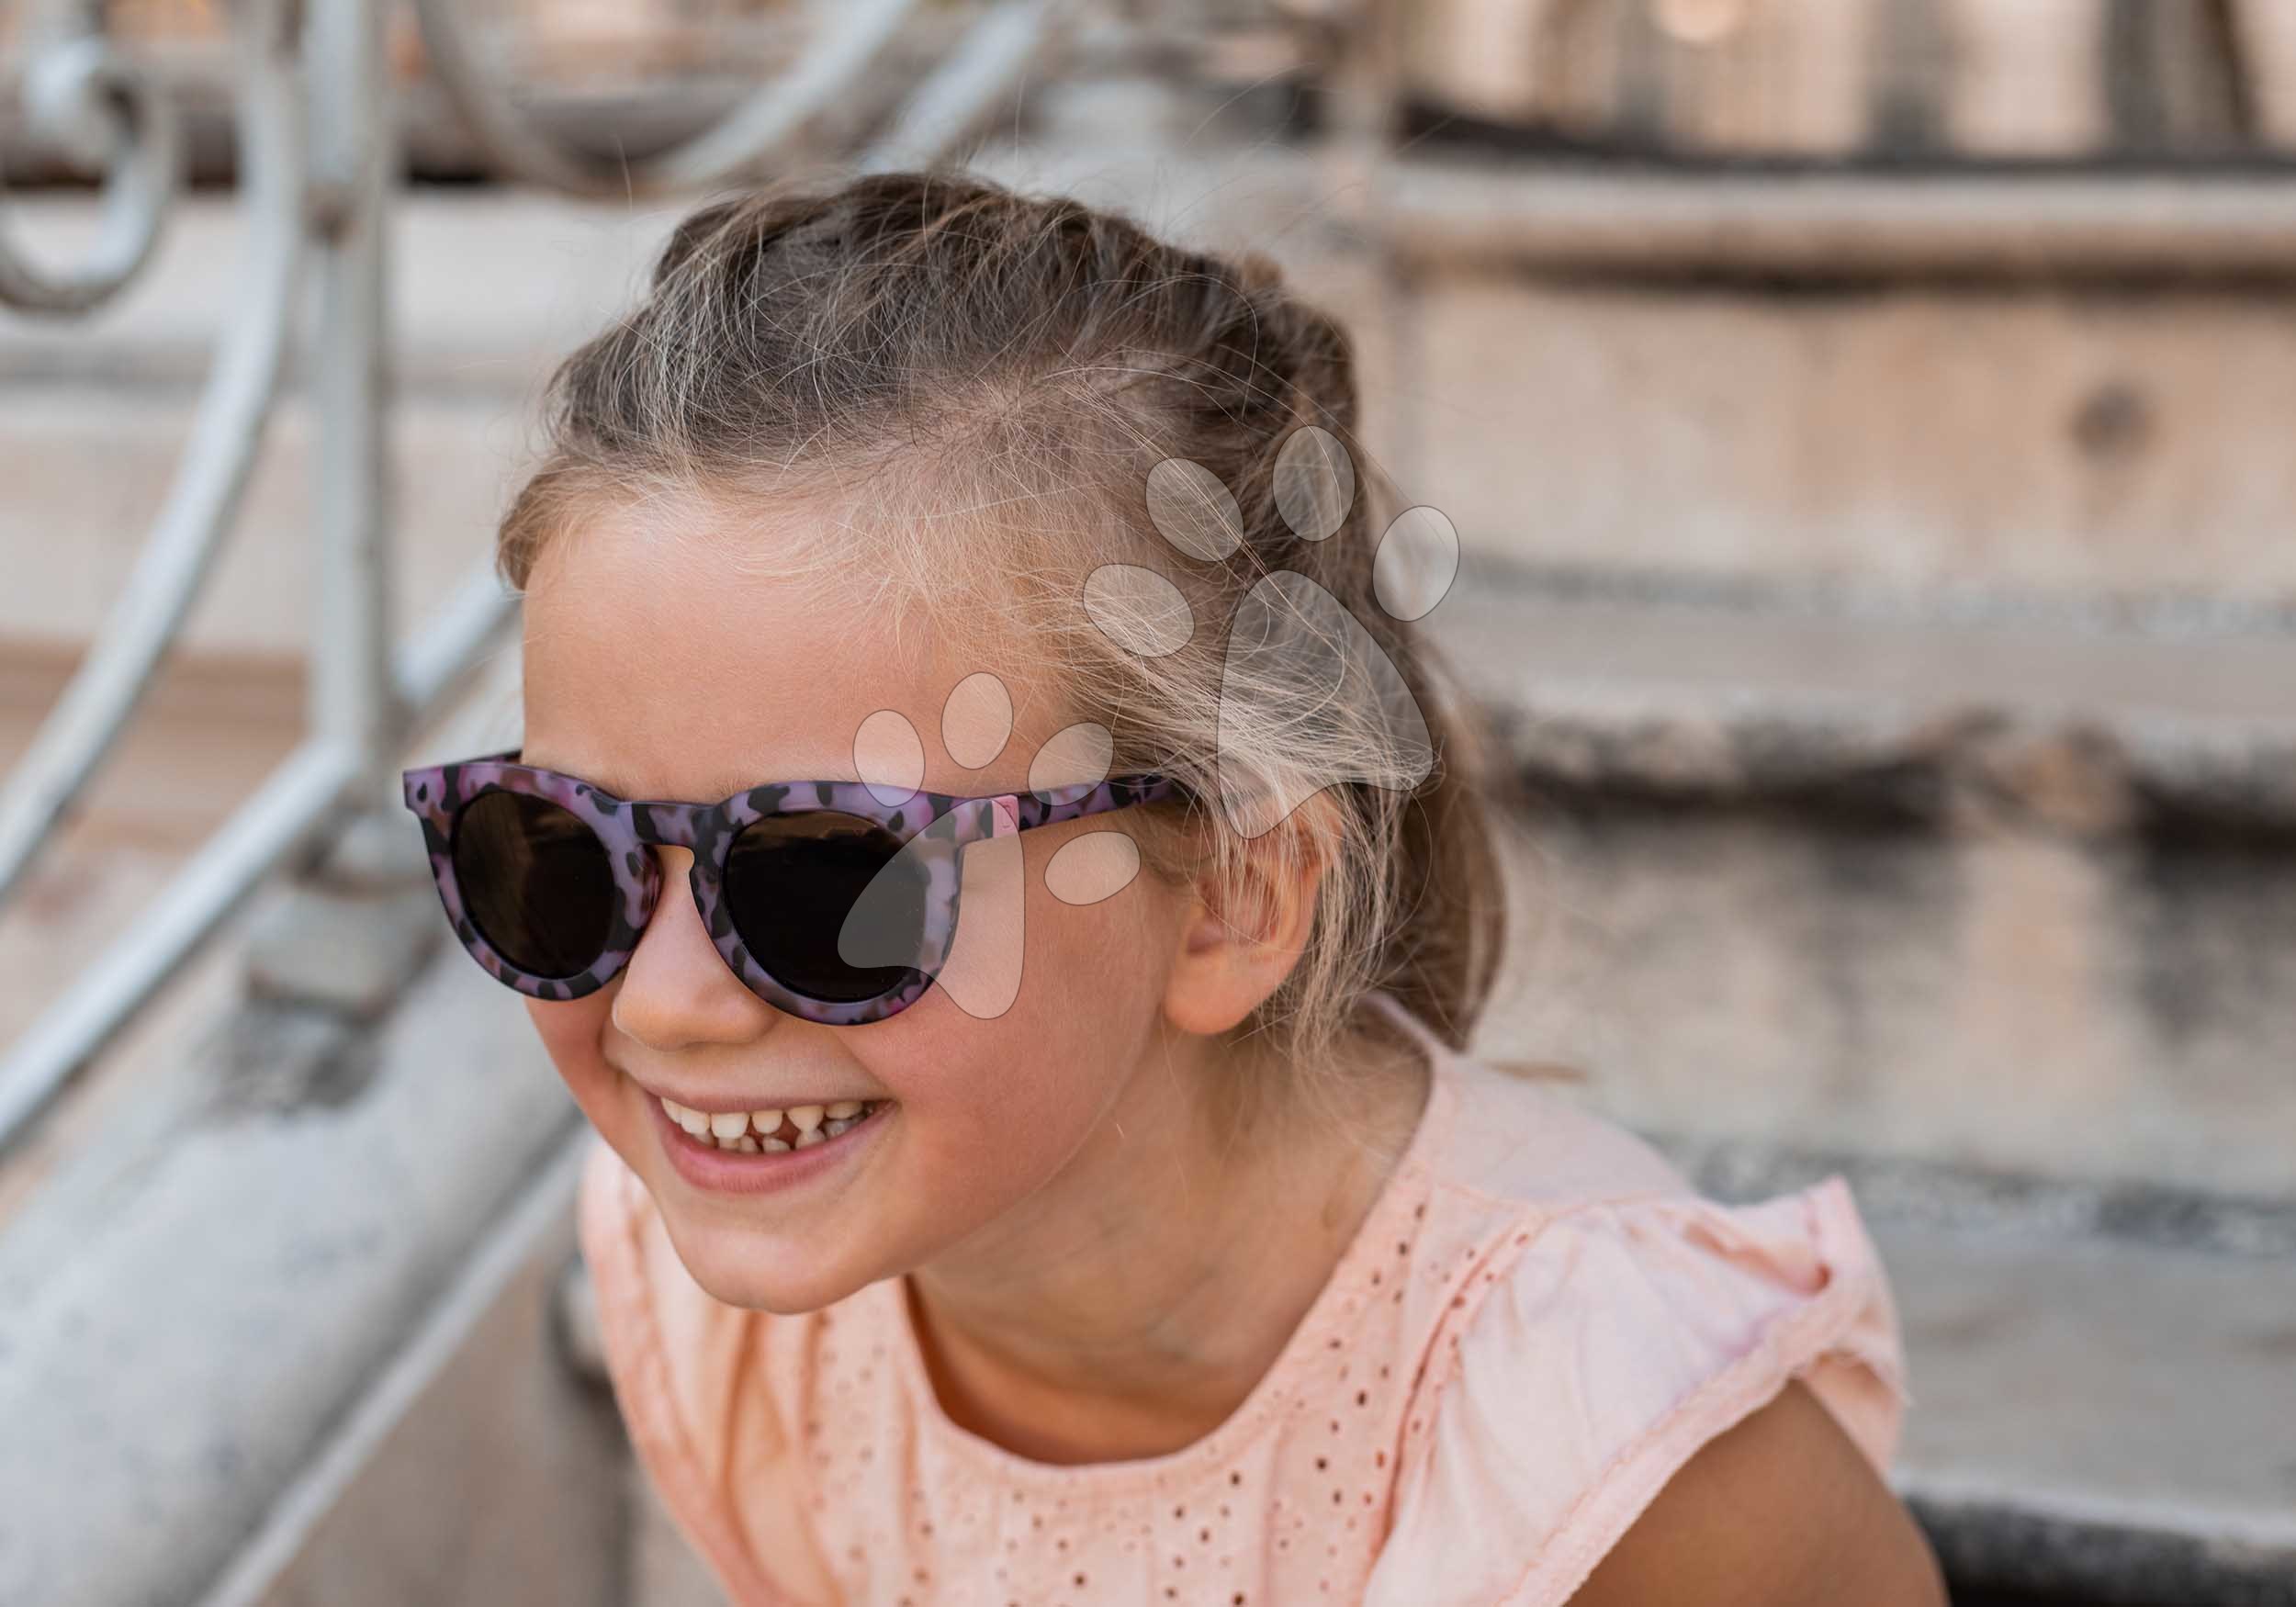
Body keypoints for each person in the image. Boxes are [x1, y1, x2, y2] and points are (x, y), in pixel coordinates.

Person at [406, 167, 1946, 1604]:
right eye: (560, 849)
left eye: (828, 879)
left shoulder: (1609, 1444)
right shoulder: (730, 1294)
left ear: (1234, 893)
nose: (666, 1004)